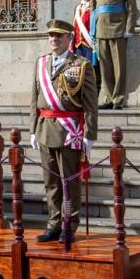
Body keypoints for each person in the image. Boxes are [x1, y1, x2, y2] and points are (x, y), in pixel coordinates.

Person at [30, 19, 98, 243]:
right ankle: (54, 223)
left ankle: (70, 225)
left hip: (70, 130)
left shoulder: (81, 64)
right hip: (45, 129)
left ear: (69, 38)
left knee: (69, 181)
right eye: (51, 36)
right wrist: (32, 129)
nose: (54, 40)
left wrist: (90, 134)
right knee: (50, 182)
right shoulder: (40, 63)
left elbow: (90, 104)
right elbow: (34, 99)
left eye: (59, 36)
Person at [89, 0, 137, 110]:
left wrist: (129, 28)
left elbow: (131, 6)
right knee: (105, 66)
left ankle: (118, 98)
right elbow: (93, 8)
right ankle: (109, 97)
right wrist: (92, 29)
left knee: (119, 66)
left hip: (118, 27)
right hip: (101, 27)